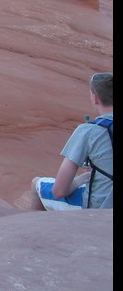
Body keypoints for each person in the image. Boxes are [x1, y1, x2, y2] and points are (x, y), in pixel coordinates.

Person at [30, 72, 113, 211]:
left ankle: (33, 231)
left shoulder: (89, 130)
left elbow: (59, 191)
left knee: (36, 184)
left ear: (95, 98)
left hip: (98, 209)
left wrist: (84, 177)